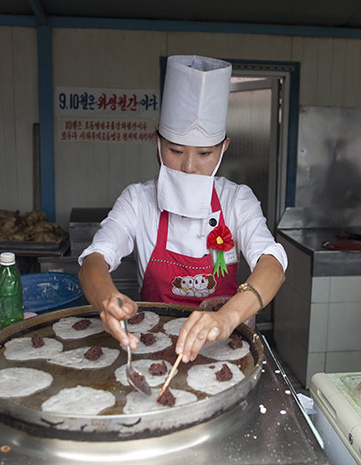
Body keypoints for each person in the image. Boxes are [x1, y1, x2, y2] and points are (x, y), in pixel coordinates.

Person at [77, 55, 287, 363]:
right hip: (154, 355)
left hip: (226, 354)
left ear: (223, 148)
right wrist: (107, 299)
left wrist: (227, 318)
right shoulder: (138, 201)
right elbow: (93, 261)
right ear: (157, 142)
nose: (189, 167)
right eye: (175, 150)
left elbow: (273, 266)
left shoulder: (236, 200)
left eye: (204, 153)